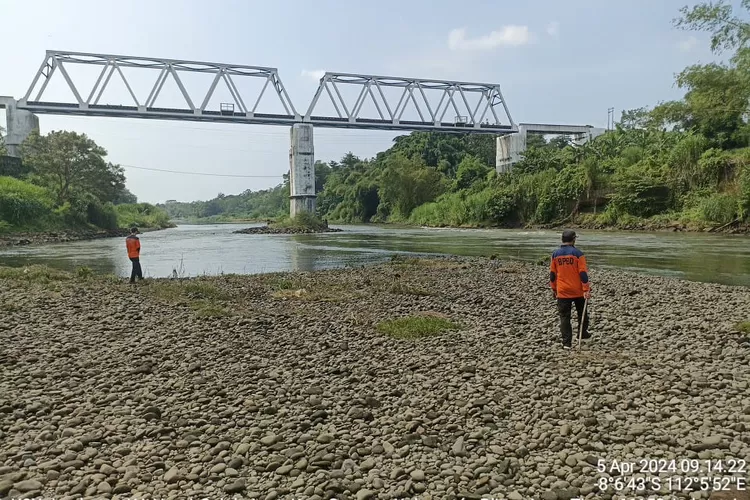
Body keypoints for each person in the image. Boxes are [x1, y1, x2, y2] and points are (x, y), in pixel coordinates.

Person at [549, 229, 591, 349]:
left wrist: (554, 289)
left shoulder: (555, 254)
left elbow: (553, 274)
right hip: (578, 291)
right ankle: (581, 334)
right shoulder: (578, 254)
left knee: (564, 317)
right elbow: (583, 273)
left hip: (562, 291)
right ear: (573, 239)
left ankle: (566, 343)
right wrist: (586, 289)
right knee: (582, 313)